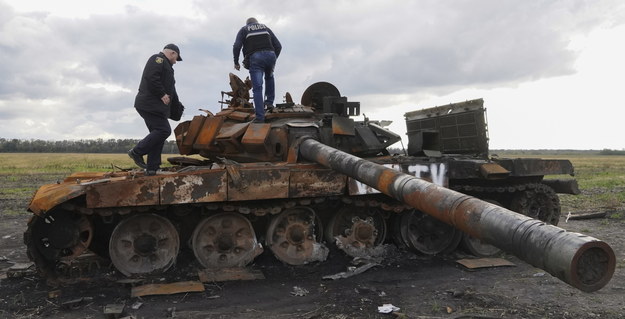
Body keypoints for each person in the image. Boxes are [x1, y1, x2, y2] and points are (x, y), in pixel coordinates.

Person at [128, 43, 184, 175]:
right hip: (149, 104)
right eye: (176, 58)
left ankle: (152, 168)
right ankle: (136, 152)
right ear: (172, 53)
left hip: (155, 107)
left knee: (157, 135)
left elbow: (172, 91)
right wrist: (162, 94)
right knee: (163, 130)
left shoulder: (168, 68)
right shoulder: (157, 59)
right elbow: (151, 77)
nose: (176, 62)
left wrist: (178, 107)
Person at [233, 17, 282, 123]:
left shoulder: (244, 29)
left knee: (257, 88)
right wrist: (273, 59)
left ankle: (260, 117)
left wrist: (236, 62)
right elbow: (278, 46)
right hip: (271, 55)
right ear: (257, 22)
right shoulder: (266, 28)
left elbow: (237, 46)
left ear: (248, 24)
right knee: (269, 76)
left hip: (256, 57)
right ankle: (269, 103)